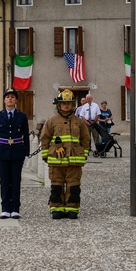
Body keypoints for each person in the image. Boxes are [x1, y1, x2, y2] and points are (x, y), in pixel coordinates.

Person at [40, 88, 91, 219]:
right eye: (64, 103)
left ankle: (72, 208)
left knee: (73, 186)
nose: (66, 105)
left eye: (69, 103)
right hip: (56, 161)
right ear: (59, 105)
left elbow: (85, 140)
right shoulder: (51, 121)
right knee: (56, 186)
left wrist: (84, 155)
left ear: (73, 104)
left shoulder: (79, 122)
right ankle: (56, 208)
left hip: (74, 161)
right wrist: (45, 155)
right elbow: (45, 138)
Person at [0, 88, 29, 219]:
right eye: (8, 97)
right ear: (4, 100)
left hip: (17, 152)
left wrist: (26, 153)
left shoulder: (22, 116)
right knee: (4, 181)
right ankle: (5, 208)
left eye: (12, 97)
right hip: (2, 152)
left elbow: (26, 136)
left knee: (16, 180)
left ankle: (15, 208)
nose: (10, 99)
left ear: (16, 100)